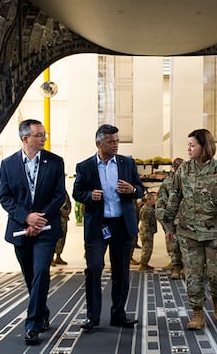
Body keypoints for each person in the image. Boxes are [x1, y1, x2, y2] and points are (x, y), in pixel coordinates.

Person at [0, 119, 66, 346]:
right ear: (25, 138)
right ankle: (42, 311)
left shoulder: (55, 162)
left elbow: (59, 195)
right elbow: (5, 197)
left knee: (40, 273)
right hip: (20, 230)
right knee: (30, 276)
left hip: (46, 229)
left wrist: (39, 219)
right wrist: (26, 217)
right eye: (39, 135)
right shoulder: (8, 165)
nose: (43, 138)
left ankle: (32, 325)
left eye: (44, 134)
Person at [161, 129, 217, 330]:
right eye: (188, 144)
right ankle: (197, 313)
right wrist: (168, 226)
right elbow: (174, 198)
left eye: (192, 145)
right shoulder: (183, 170)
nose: (188, 148)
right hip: (189, 232)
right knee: (193, 275)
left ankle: (216, 297)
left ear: (205, 146)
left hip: (216, 232)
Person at [73, 124, 144, 332]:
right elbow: (77, 192)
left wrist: (132, 190)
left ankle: (118, 315)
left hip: (122, 225)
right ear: (98, 143)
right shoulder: (84, 166)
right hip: (97, 226)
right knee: (94, 269)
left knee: (121, 272)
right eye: (111, 142)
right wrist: (89, 196)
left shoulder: (127, 163)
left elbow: (140, 189)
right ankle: (92, 317)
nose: (116, 145)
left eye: (117, 141)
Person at [156, 157, 185, 279]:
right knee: (173, 245)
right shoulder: (167, 183)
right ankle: (176, 267)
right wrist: (165, 221)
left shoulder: (191, 181)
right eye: (177, 167)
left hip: (188, 221)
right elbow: (160, 203)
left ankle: (186, 267)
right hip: (172, 220)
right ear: (174, 168)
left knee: (188, 246)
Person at [137, 191, 157, 270]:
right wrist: (147, 233)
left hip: (148, 232)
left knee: (148, 248)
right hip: (146, 232)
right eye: (153, 199)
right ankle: (143, 265)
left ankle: (145, 263)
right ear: (148, 200)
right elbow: (145, 223)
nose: (154, 201)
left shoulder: (148, 208)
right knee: (147, 249)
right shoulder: (146, 209)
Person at [51, 196, 72, 266]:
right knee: (54, 238)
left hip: (64, 218)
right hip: (56, 217)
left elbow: (68, 202)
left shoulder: (63, 191)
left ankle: (58, 256)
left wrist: (68, 211)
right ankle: (51, 258)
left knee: (62, 237)